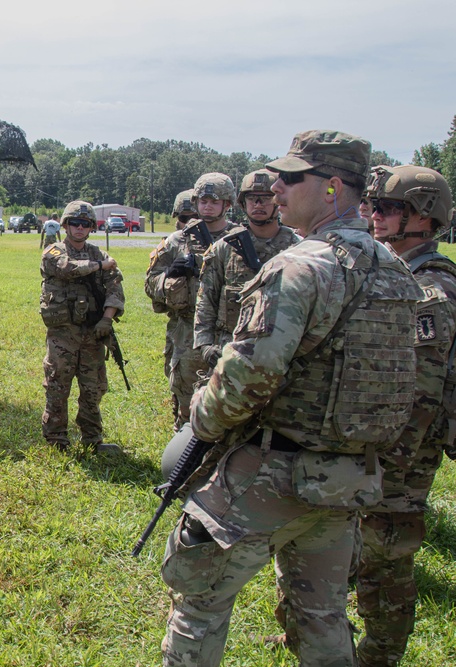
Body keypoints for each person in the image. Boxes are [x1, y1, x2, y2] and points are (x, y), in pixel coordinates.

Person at [160, 130, 423, 667]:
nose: (275, 187)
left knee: (200, 603)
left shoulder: (302, 266)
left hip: (273, 475)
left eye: (291, 178)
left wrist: (198, 425)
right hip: (348, 479)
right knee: (321, 614)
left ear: (331, 187)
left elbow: (245, 381)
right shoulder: (395, 270)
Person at [356, 165, 456, 667]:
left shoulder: (430, 288)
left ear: (424, 216)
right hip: (382, 444)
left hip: (403, 452)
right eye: (374, 206)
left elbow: (424, 390)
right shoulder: (400, 274)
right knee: (364, 551)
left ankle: (379, 656)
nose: (375, 215)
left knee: (387, 560)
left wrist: (388, 462)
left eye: (390, 208)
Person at [144, 173, 236, 430]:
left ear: (227, 204)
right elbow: (150, 283)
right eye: (202, 201)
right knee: (187, 410)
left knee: (230, 407)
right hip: (188, 334)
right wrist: (171, 277)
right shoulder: (177, 241)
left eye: (213, 201)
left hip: (231, 334)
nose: (206, 206)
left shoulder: (240, 240)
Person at [40, 200, 125, 454]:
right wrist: (99, 266)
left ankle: (92, 438)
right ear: (65, 225)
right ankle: (57, 440)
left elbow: (115, 288)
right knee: (57, 385)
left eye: (85, 224)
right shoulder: (53, 251)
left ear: (91, 228)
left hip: (92, 333)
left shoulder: (99, 254)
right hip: (63, 334)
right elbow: (67, 269)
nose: (79, 228)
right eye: (74, 223)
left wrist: (107, 319)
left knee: (93, 388)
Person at [194, 169, 300, 368]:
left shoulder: (298, 247)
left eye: (266, 198)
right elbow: (207, 298)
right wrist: (204, 344)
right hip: (229, 349)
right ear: (243, 203)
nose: (258, 204)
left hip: (283, 352)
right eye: (252, 198)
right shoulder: (225, 246)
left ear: (278, 201)